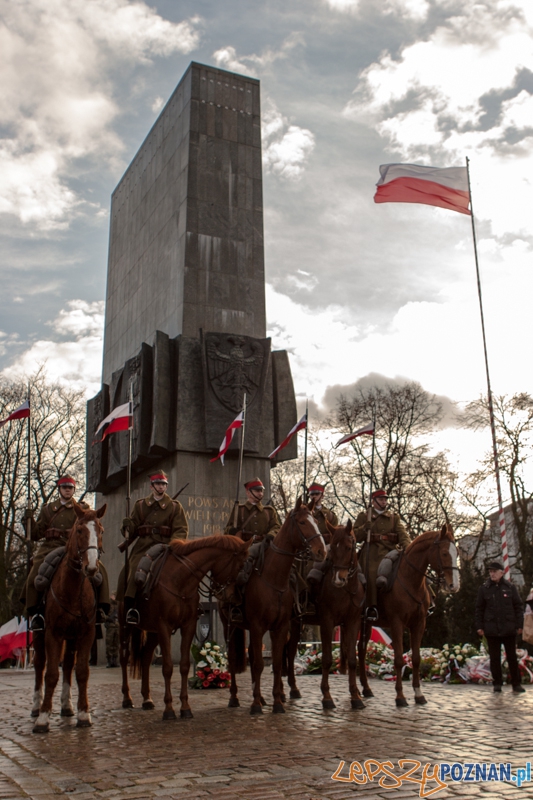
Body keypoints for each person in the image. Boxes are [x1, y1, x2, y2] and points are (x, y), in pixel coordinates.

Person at [21, 476, 110, 631]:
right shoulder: (48, 510)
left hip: (75, 547)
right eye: (64, 487)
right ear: (59, 489)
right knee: (36, 572)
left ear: (74, 490)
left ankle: (100, 609)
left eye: (70, 487)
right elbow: (36, 534)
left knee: (100, 570)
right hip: (50, 546)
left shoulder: (82, 508)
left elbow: (91, 527)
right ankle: (35, 612)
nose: (67, 490)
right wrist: (28, 521)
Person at [119, 470, 188, 625]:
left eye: (163, 484)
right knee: (134, 568)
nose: (161, 487)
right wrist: (127, 527)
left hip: (166, 547)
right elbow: (131, 530)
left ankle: (189, 607)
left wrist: (174, 544)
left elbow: (181, 529)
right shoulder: (141, 505)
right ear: (151, 486)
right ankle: (131, 608)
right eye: (158, 484)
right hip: (143, 547)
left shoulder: (175, 507)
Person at [354, 488, 410, 622]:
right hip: (371, 552)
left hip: (390, 550)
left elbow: (402, 533)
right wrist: (364, 528)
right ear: (373, 501)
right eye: (380, 499)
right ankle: (371, 607)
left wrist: (408, 547)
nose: (384, 501)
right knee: (372, 572)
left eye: (385, 499)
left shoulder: (393, 518)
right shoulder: (364, 516)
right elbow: (355, 535)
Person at [475, 561, 525, 693]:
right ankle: (497, 683)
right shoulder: (484, 589)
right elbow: (479, 609)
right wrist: (479, 626)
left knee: (512, 658)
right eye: (490, 572)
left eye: (494, 571)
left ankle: (516, 683)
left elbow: (518, 607)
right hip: (492, 628)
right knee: (495, 658)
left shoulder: (510, 587)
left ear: (501, 573)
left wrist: (520, 625)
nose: (492, 574)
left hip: (509, 628)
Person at [105, 594, 119, 668]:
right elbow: (103, 614)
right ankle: (109, 660)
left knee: (116, 644)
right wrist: (107, 619)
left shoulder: (118, 605)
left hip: (117, 626)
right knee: (109, 644)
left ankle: (115, 660)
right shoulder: (108, 605)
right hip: (110, 626)